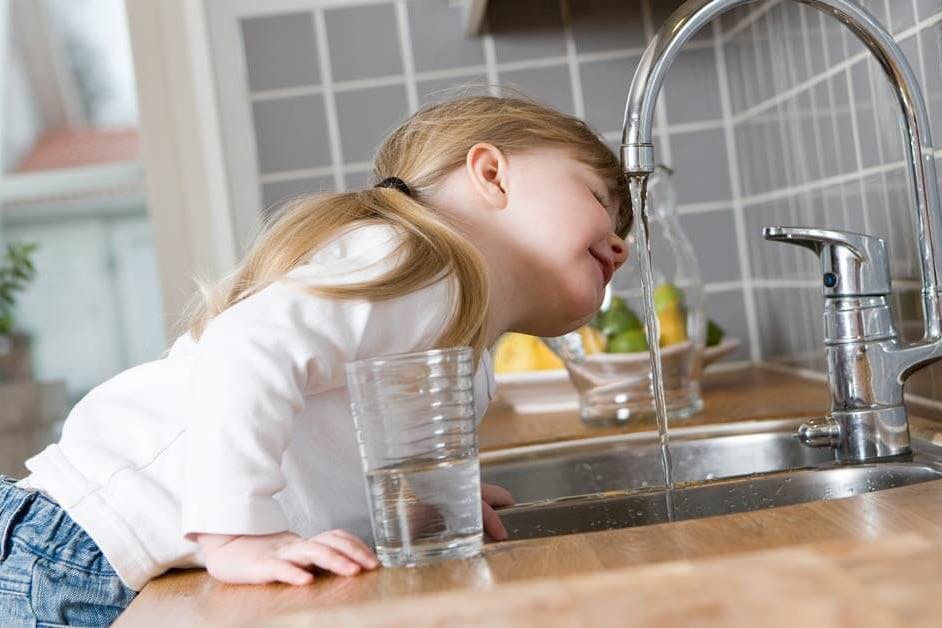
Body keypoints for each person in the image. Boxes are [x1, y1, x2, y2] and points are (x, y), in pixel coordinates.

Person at [0, 91, 631, 625]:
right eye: (601, 200)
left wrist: (421, 499)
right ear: (492, 174)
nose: (621, 244)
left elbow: (328, 443)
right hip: (70, 547)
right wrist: (239, 532)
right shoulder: (419, 264)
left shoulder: (461, 338)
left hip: (100, 552)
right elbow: (246, 348)